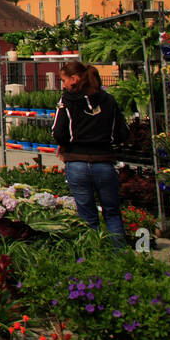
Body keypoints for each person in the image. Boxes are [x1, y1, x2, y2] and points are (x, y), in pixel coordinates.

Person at [53, 60, 128, 245]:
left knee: (87, 215)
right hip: (104, 161)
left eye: (63, 80)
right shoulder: (108, 100)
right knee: (112, 212)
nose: (63, 85)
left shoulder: (67, 101)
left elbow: (58, 132)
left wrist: (63, 145)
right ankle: (120, 257)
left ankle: (94, 256)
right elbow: (122, 132)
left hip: (77, 161)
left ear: (75, 79)